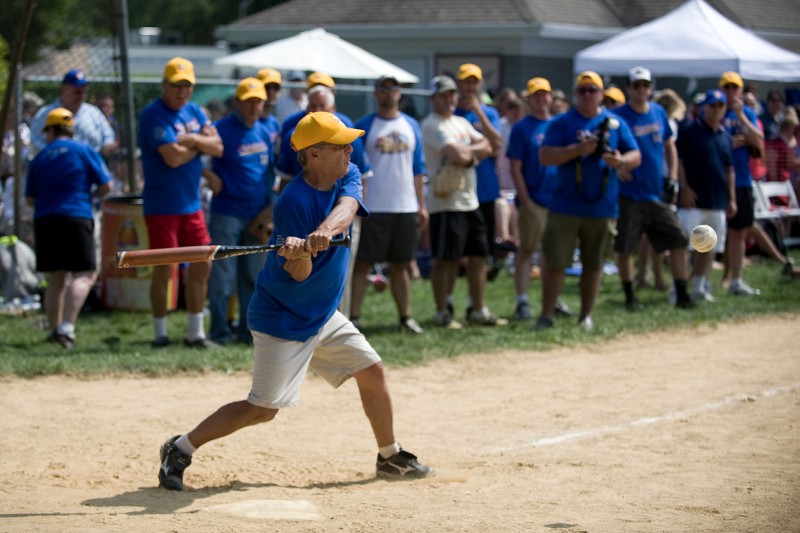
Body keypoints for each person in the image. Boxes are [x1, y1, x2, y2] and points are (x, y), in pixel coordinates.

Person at [157, 111, 434, 491]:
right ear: (315, 154)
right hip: (283, 319)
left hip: (321, 314)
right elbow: (299, 274)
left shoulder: (345, 172)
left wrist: (321, 232)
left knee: (372, 371)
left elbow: (349, 207)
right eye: (340, 145)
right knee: (262, 410)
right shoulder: (293, 201)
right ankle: (181, 447)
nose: (349, 150)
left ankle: (389, 455)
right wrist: (299, 252)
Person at [537, 71, 641, 330]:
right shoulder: (562, 123)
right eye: (582, 91)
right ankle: (547, 315)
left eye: (592, 90)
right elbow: (545, 156)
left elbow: (635, 154)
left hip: (602, 206)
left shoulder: (614, 123)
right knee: (556, 262)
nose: (587, 95)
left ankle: (586, 316)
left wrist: (620, 161)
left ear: (601, 94)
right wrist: (578, 150)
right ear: (575, 94)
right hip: (566, 205)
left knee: (594, 264)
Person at [138, 57, 223, 348]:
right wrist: (200, 143)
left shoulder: (195, 111)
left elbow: (219, 146)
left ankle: (194, 333)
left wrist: (191, 140)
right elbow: (171, 158)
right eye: (176, 85)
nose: (182, 91)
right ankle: (160, 334)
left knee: (202, 265)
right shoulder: (153, 114)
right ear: (165, 85)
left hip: (192, 205)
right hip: (162, 206)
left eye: (187, 85)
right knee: (165, 268)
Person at [24, 108, 111, 348]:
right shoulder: (84, 151)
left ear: (50, 131)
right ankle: (67, 328)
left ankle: (54, 331)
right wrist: (89, 195)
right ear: (71, 130)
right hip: (77, 215)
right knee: (85, 274)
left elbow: (29, 199)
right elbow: (107, 185)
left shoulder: (40, 158)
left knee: (56, 277)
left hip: (46, 219)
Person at [421, 75, 502, 328]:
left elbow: (495, 144)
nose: (450, 99)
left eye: (453, 94)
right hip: (445, 202)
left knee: (479, 256)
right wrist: (473, 150)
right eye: (444, 95)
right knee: (446, 259)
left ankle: (478, 309)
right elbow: (459, 155)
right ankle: (442, 311)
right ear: (433, 98)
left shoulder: (460, 123)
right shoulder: (432, 124)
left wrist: (471, 150)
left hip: (470, 200)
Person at [350, 76, 428, 334]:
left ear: (399, 94)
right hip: (374, 206)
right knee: (362, 263)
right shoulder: (365, 125)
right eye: (383, 89)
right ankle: (354, 317)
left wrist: (421, 204)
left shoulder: (411, 125)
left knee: (401, 264)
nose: (388, 93)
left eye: (393, 89)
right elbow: (357, 169)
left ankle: (406, 317)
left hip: (404, 205)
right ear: (376, 93)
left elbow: (418, 168)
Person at [612, 67, 694, 310]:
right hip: (629, 194)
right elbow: (607, 146)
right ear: (628, 88)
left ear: (650, 88)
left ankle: (681, 293)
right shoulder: (618, 116)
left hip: (655, 192)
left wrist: (672, 177)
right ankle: (630, 295)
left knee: (678, 239)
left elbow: (669, 145)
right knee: (626, 247)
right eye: (636, 85)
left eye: (645, 85)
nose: (641, 90)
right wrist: (618, 166)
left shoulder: (658, 112)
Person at [202, 78, 275, 344]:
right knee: (223, 276)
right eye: (249, 102)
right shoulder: (220, 129)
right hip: (227, 212)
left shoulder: (266, 130)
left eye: (259, 102)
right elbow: (198, 157)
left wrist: (269, 209)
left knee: (253, 277)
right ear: (236, 103)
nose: (254, 107)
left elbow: (270, 172)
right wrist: (209, 174)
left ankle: (248, 333)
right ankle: (219, 332)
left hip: (257, 214)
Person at [506, 77, 560, 320]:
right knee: (527, 250)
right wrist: (526, 201)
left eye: (544, 94)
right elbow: (515, 167)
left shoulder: (558, 124)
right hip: (534, 199)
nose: (541, 99)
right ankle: (522, 301)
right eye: (536, 95)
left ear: (550, 97)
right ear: (528, 99)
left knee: (553, 254)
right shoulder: (522, 127)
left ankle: (553, 300)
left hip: (558, 200)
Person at [676, 89, 735, 301]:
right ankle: (679, 286)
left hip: (717, 200)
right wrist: (684, 187)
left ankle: (700, 285)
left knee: (708, 246)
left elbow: (729, 169)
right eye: (712, 105)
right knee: (684, 245)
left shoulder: (724, 135)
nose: (716, 110)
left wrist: (732, 198)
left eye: (720, 106)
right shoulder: (690, 131)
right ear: (704, 107)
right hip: (692, 201)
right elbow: (680, 161)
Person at [454, 63, 504, 284]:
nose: (470, 86)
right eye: (466, 81)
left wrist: (478, 111)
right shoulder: (451, 113)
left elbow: (497, 144)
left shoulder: (489, 113)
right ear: (459, 83)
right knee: (456, 250)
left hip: (484, 189)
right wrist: (482, 149)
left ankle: (475, 302)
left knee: (480, 249)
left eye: (474, 81)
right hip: (458, 190)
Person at [719, 71, 765, 296]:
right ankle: (702, 279)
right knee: (716, 230)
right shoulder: (715, 110)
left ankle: (735, 280)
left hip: (743, 180)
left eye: (734, 88)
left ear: (740, 90)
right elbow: (720, 143)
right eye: (726, 88)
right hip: (719, 180)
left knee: (738, 232)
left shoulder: (746, 112)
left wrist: (742, 118)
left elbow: (758, 140)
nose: (730, 92)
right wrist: (736, 140)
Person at [29, 69, 116, 156]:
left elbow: (108, 136)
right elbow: (35, 140)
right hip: (57, 165)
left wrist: (107, 147)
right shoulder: (46, 114)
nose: (81, 96)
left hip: (90, 164)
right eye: (77, 92)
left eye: (84, 91)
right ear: (63, 90)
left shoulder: (94, 113)